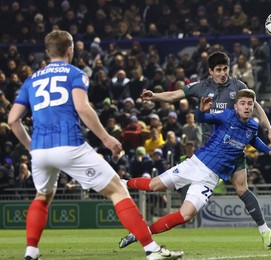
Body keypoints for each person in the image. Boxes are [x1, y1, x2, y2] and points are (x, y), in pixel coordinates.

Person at [7, 30, 183, 260]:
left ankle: (31, 252)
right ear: (70, 49)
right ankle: (152, 250)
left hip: (40, 150)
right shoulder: (75, 74)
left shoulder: (31, 79)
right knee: (118, 191)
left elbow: (12, 120)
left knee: (42, 196)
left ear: (47, 52)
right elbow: (82, 108)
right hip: (69, 144)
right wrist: (106, 138)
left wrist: (32, 148)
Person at [137, 51, 271, 248]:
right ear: (210, 71)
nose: (223, 73)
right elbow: (173, 95)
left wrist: (269, 130)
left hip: (233, 149)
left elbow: (255, 107)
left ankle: (265, 230)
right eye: (219, 70)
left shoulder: (238, 86)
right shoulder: (201, 87)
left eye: (225, 69)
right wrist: (154, 96)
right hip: (210, 149)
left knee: (241, 189)